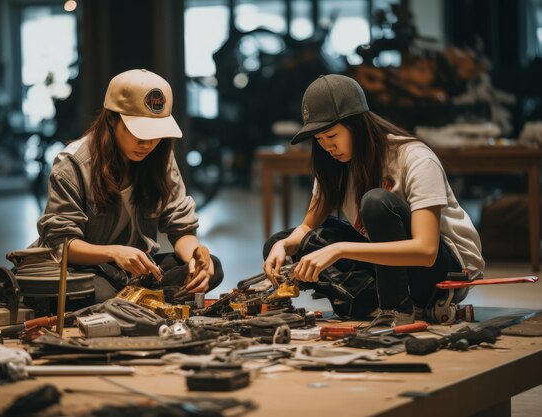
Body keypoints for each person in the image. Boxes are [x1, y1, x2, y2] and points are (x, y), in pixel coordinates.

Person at [263, 74, 484, 327]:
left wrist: (338, 250)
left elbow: (426, 251)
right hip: (391, 267)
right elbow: (305, 228)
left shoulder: (415, 158)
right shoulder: (335, 165)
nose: (327, 147)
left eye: (332, 136)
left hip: (443, 273)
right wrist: (283, 246)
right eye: (319, 140)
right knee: (284, 245)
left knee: (376, 202)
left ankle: (396, 309)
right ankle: (378, 304)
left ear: (357, 124)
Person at [27, 68, 223, 304]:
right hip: (84, 269)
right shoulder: (73, 164)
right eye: (138, 132)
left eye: (156, 133)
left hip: (134, 272)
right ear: (111, 119)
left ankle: (138, 301)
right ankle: (144, 302)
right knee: (102, 294)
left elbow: (181, 228)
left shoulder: (160, 157)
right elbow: (62, 244)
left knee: (214, 268)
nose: (147, 143)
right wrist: (114, 252)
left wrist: (196, 258)